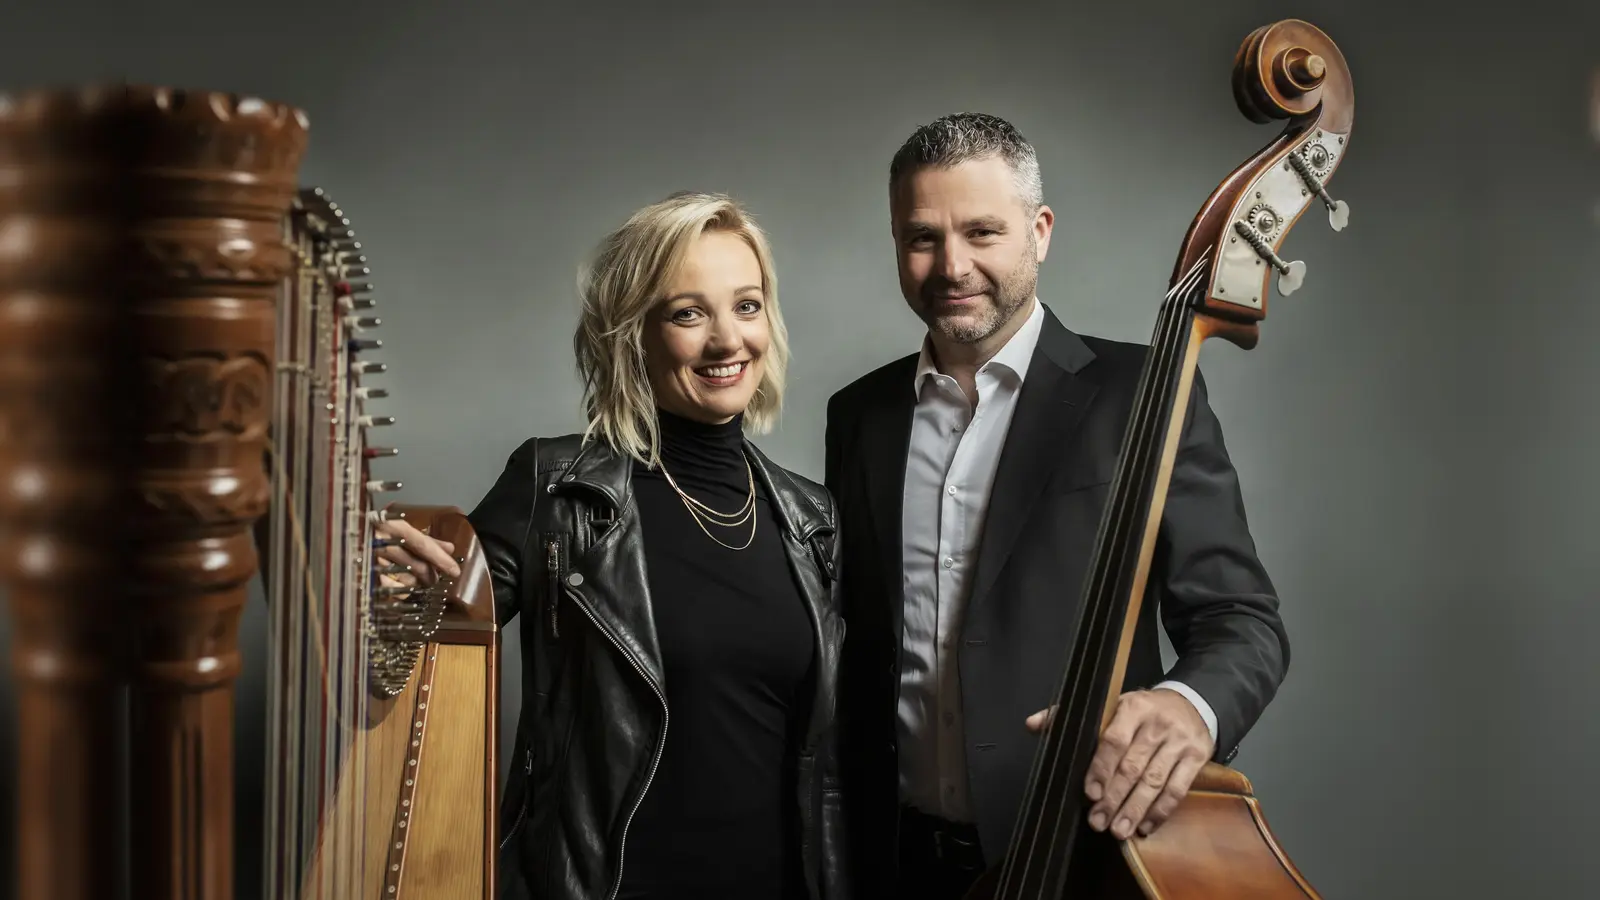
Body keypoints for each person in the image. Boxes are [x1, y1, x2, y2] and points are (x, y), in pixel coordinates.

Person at [824, 112, 1291, 898]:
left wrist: (1186, 709)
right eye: (922, 238)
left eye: (982, 232)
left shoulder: (1143, 391)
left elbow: (1242, 621)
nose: (952, 266)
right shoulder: (860, 415)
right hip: (892, 865)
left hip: (1075, 855)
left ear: (1039, 232)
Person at [374, 191, 851, 900]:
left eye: (746, 305)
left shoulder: (811, 518)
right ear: (633, 334)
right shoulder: (556, 491)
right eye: (689, 313)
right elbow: (421, 636)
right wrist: (388, 596)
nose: (728, 340)